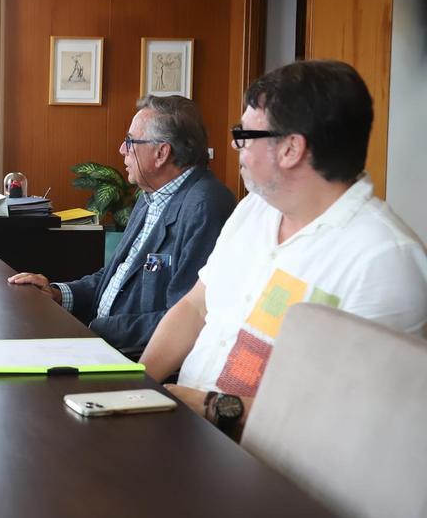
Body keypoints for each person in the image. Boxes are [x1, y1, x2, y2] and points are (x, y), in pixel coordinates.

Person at [141, 60, 427, 435]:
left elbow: (352, 418)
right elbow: (196, 306)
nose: (234, 144)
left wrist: (211, 407)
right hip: (190, 434)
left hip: (274, 473)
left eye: (245, 135)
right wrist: (135, 386)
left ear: (291, 149)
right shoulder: (254, 209)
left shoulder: (385, 260)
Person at [8, 96, 236, 357]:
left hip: (137, 358)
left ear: (161, 153)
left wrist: (96, 331)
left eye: (130, 142)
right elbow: (116, 277)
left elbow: (185, 317)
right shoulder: (151, 195)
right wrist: (59, 293)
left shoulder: (204, 206)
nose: (121, 150)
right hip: (103, 342)